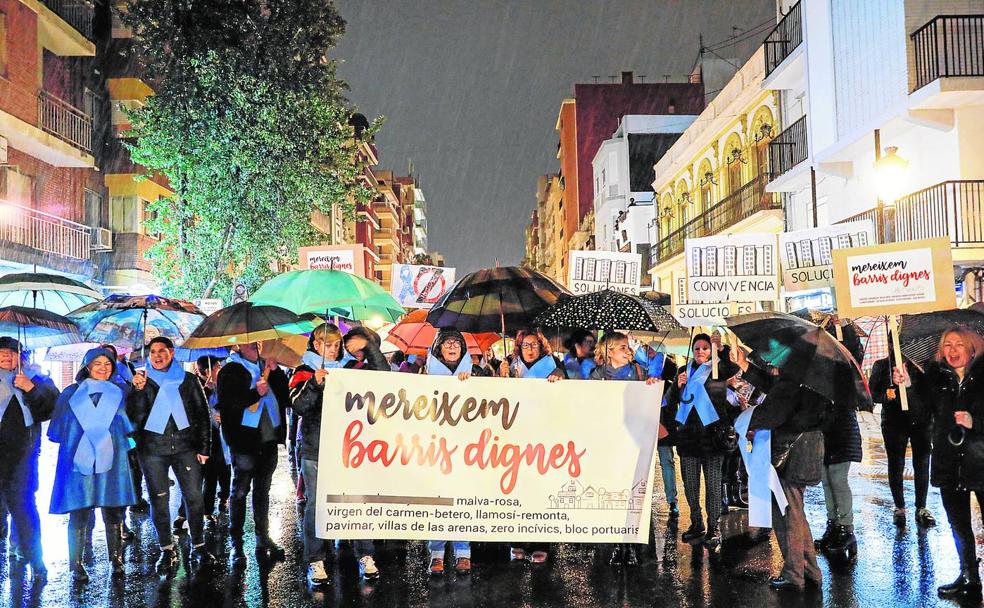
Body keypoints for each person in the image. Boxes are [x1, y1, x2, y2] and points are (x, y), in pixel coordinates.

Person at [737, 348, 825, 592]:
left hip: (791, 452)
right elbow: (775, 386)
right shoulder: (808, 373)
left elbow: (774, 410)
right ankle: (809, 569)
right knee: (795, 510)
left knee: (787, 513)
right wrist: (745, 365)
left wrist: (745, 421)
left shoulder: (792, 378)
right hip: (806, 447)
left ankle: (794, 573)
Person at [49, 347, 137, 581]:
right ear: (87, 366)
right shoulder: (70, 393)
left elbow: (130, 422)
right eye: (97, 364)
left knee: (113, 509)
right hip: (79, 457)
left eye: (108, 364)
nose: (103, 368)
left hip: (113, 457)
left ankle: (116, 560)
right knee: (79, 511)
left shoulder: (121, 391)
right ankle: (75, 564)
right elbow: (58, 429)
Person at [128, 337, 213, 571]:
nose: (157, 355)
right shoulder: (142, 382)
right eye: (153, 351)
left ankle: (199, 545)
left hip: (186, 447)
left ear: (172, 352)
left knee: (194, 498)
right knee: (159, 499)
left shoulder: (188, 380)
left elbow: (202, 415)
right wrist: (136, 392)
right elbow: (134, 418)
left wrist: (205, 448)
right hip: (152, 450)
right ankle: (166, 548)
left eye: (162, 351)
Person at [913, 328, 984, 601]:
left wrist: (974, 422)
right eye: (947, 345)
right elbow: (920, 415)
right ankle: (969, 577)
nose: (953, 350)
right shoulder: (936, 379)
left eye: (959, 344)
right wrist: (908, 385)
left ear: (972, 348)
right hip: (948, 463)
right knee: (959, 525)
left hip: (980, 463)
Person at [589, 331, 661, 566]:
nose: (628, 351)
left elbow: (660, 361)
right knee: (615, 495)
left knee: (636, 493)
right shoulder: (597, 375)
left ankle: (634, 545)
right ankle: (617, 545)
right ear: (609, 351)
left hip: (636, 441)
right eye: (622, 347)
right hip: (609, 443)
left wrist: (651, 383)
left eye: (628, 347)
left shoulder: (640, 371)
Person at [290, 324, 354, 587]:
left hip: (347, 448)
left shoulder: (348, 369)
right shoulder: (303, 371)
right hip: (315, 448)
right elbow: (298, 406)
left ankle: (363, 555)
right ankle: (315, 559)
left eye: (337, 344)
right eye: (327, 344)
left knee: (352, 499)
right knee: (316, 505)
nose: (333, 348)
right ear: (315, 344)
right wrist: (315, 384)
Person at [217, 342, 290, 567]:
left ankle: (263, 537)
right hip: (243, 443)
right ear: (240, 345)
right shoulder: (231, 370)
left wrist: (275, 372)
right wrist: (254, 394)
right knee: (239, 492)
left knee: (263, 491)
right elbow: (227, 406)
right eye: (252, 342)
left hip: (268, 439)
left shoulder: (267, 367)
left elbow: (285, 399)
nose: (258, 345)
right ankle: (236, 543)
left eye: (261, 340)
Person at [423, 328, 487, 575]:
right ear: (438, 348)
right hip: (435, 450)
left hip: (467, 450)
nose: (452, 347)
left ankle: (463, 552)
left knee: (463, 499)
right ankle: (437, 553)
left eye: (456, 343)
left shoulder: (477, 373)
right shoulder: (424, 375)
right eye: (447, 343)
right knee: (438, 501)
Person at [667, 333, 739, 548]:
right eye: (697, 348)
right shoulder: (683, 371)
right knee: (690, 485)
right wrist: (677, 387)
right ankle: (696, 523)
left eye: (705, 348)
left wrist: (721, 349)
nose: (700, 352)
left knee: (713, 484)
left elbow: (732, 367)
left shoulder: (717, 370)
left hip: (713, 437)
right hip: (688, 437)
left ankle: (714, 527)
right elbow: (670, 402)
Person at [499, 330, 563, 564]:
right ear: (519, 347)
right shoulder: (509, 365)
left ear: (542, 346)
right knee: (515, 490)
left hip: (543, 438)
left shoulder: (553, 365)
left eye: (535, 344)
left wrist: (559, 375)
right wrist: (502, 376)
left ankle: (540, 542)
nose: (530, 348)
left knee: (540, 491)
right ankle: (516, 540)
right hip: (515, 436)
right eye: (526, 344)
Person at [0, 338, 58, 583]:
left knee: (24, 508)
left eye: (11, 353)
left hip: (22, 455)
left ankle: (36, 560)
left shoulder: (37, 377)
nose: (6, 357)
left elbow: (51, 409)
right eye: (1, 352)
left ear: (20, 356)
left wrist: (30, 389)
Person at [336, 326, 387, 579]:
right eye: (350, 344)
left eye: (361, 344)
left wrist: (367, 346)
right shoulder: (341, 369)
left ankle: (365, 548)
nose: (354, 349)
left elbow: (383, 374)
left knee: (366, 496)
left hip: (369, 443)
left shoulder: (372, 367)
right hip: (343, 441)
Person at [869, 349, 934, 529]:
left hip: (921, 421)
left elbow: (930, 393)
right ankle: (899, 507)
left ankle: (921, 506)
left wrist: (909, 385)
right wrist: (890, 393)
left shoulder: (923, 366)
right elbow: (874, 394)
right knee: (896, 463)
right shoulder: (882, 366)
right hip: (894, 423)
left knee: (921, 463)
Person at [635, 341, 681, 518]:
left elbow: (673, 395)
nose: (650, 351)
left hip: (664, 420)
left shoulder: (670, 368)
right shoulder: (638, 366)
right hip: (643, 419)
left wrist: (661, 386)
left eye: (653, 348)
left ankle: (672, 500)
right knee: (642, 462)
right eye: (648, 348)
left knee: (666, 460)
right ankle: (640, 498)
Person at [197, 356, 230, 527]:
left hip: (224, 437)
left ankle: (224, 496)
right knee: (209, 475)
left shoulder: (223, 384)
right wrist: (206, 390)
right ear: (207, 371)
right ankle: (205, 511)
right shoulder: (197, 386)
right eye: (217, 367)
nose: (220, 369)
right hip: (207, 438)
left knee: (225, 469)